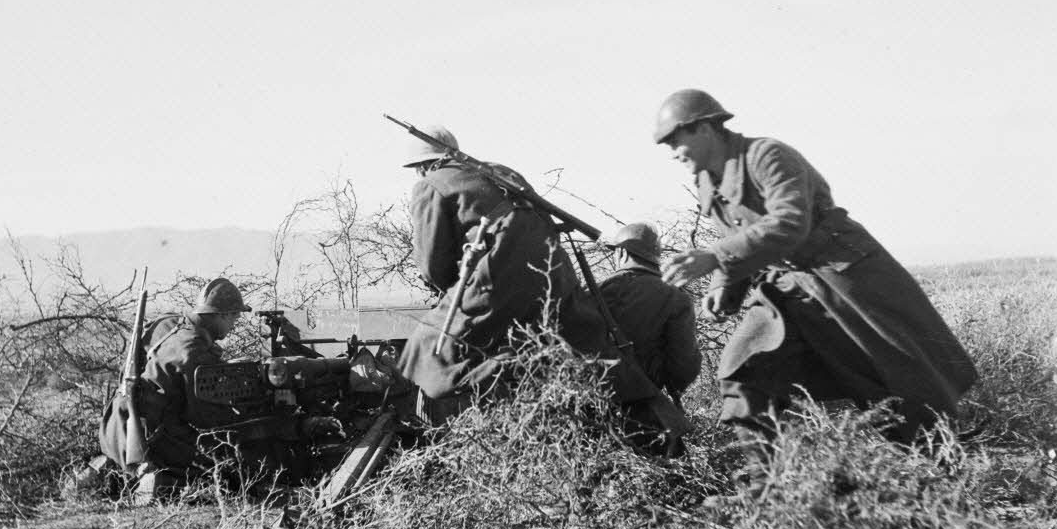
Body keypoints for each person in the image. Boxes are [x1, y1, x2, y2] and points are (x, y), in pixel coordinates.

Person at [654, 89, 977, 445]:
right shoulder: (707, 181)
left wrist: (715, 256)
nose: (672, 153)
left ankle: (939, 464)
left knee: (893, 379)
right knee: (742, 372)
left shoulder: (767, 155)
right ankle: (768, 488)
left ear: (704, 129)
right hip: (783, 289)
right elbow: (739, 238)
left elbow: (790, 222)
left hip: (841, 277)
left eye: (675, 141)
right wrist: (723, 286)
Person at [395, 125, 674, 431]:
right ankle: (654, 423)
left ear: (421, 166)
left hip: (497, 279)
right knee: (587, 346)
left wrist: (453, 292)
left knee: (427, 347)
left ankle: (466, 428)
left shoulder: (430, 186)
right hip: (556, 276)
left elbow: (433, 267)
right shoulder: (502, 173)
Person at [127, 277, 253, 505]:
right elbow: (204, 417)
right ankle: (160, 480)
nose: (234, 324)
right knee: (229, 461)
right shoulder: (195, 351)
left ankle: (119, 468)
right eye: (235, 316)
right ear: (221, 314)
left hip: (121, 425)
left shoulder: (168, 323)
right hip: (155, 437)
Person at [599, 222, 702, 403]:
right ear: (655, 257)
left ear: (621, 253)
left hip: (588, 400)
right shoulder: (676, 297)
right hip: (642, 406)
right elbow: (685, 366)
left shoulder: (596, 291)